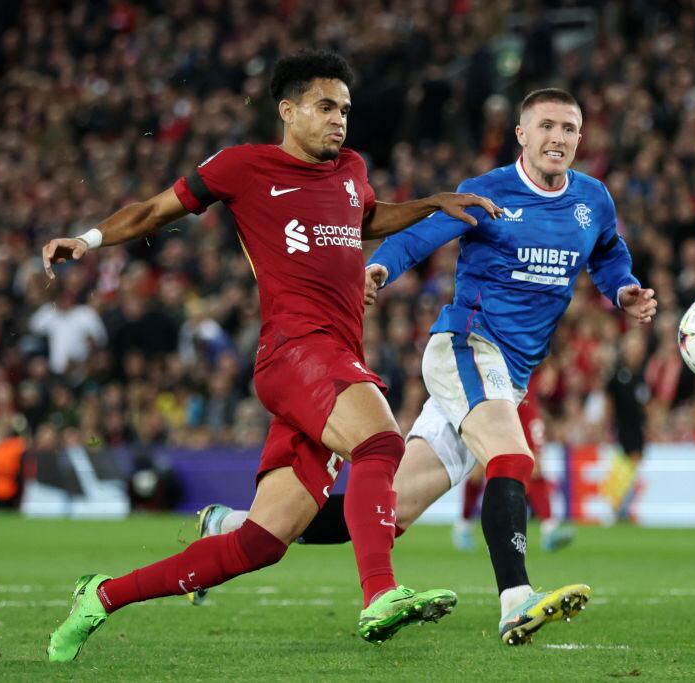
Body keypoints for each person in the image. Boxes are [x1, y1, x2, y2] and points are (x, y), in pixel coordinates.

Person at [41, 50, 502, 662]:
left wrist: (431, 203)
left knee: (260, 542)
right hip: (295, 350)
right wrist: (88, 239)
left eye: (345, 110)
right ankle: (379, 594)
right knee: (380, 443)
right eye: (325, 107)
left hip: (329, 359)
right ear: (288, 110)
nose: (339, 120)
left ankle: (101, 596)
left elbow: (365, 218)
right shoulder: (242, 167)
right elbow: (153, 211)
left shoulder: (352, 169)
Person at [198, 88, 656, 646]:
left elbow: (607, 251)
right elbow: (422, 235)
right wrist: (379, 269)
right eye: (546, 126)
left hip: (510, 374)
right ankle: (516, 600)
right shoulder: (487, 192)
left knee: (387, 512)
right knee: (512, 455)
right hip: (467, 345)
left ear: (580, 138)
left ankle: (231, 527)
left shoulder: (592, 199)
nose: (557, 138)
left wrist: (623, 288)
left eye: (568, 129)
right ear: (521, 134)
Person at [452, 374, 575, 553]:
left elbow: (550, 361)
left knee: (535, 466)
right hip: (495, 402)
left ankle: (549, 528)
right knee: (481, 468)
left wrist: (552, 370)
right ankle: (464, 525)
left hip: (525, 404)